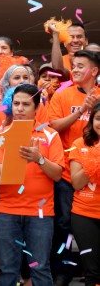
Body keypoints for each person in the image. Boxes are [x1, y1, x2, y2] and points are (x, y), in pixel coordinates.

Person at [0, 84, 64, 286]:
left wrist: (39, 159)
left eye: (25, 104)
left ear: (37, 108)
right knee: (8, 269)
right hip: (8, 210)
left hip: (40, 212)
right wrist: (16, 152)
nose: (20, 109)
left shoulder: (50, 135)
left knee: (40, 268)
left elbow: (58, 174)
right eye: (16, 104)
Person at [48, 50, 100, 286]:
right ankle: (63, 271)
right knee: (64, 225)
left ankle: (91, 271)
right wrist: (81, 111)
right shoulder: (62, 94)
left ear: (95, 71)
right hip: (68, 174)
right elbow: (54, 127)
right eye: (74, 66)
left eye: (81, 66)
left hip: (96, 176)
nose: (75, 70)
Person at [69, 101, 100, 286]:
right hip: (85, 214)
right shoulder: (79, 144)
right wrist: (96, 157)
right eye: (98, 119)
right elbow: (77, 183)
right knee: (92, 272)